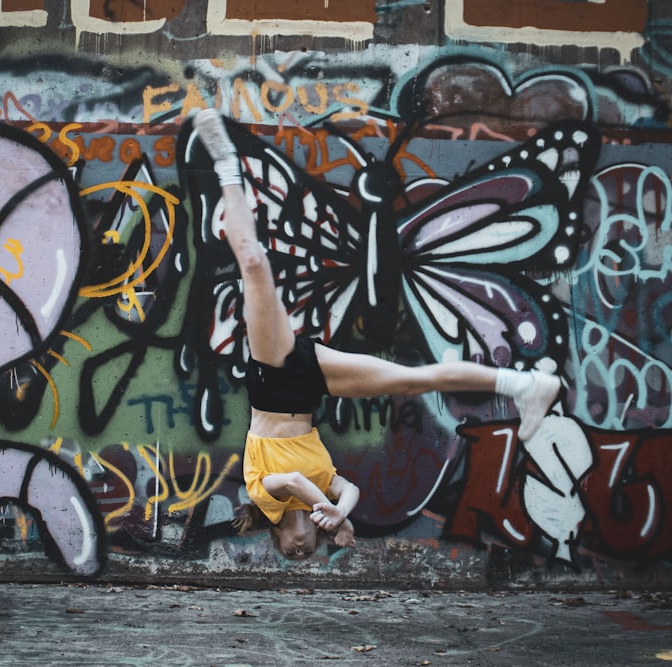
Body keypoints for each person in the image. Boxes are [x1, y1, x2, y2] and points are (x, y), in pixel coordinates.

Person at [190, 109, 561, 561]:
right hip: (309, 388)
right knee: (415, 379)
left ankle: (226, 160)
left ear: (278, 538)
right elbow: (353, 491)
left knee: (252, 262)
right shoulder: (328, 496)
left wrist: (326, 506)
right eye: (306, 552)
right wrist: (341, 513)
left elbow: (291, 482)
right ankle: (525, 384)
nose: (300, 548)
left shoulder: (268, 502)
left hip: (271, 379)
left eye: (290, 551)